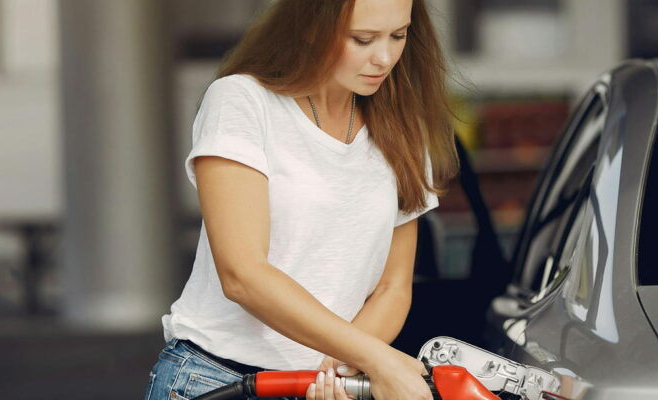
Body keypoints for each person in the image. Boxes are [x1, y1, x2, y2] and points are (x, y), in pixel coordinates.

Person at [143, 0, 458, 399]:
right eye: (362, 39)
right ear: (310, 26)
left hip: (326, 386)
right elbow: (242, 275)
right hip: (218, 380)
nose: (384, 57)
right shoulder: (242, 101)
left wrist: (342, 367)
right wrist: (377, 359)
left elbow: (392, 287)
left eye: (398, 36)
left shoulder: (402, 127)